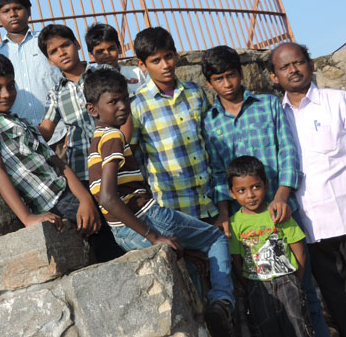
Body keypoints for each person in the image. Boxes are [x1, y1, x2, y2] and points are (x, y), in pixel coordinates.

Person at [84, 68, 235, 337]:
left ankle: (205, 321)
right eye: (113, 101)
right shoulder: (114, 137)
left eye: (125, 99)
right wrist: (153, 236)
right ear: (92, 109)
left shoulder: (96, 142)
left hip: (122, 231)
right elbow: (107, 197)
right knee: (216, 239)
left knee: (187, 268)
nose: (122, 106)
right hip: (147, 217)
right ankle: (223, 302)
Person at [202, 45, 330, 336]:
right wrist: (224, 213)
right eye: (219, 79)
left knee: (305, 297)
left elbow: (287, 150)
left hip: (281, 213)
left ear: (241, 72)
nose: (227, 83)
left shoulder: (268, 105)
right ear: (209, 83)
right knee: (261, 306)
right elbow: (217, 170)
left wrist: (282, 196)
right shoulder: (210, 121)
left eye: (231, 75)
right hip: (246, 227)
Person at [0, 52, 119, 262]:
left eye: (11, 86)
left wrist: (85, 198)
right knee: (108, 236)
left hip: (69, 193)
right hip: (53, 202)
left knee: (111, 215)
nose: (6, 93)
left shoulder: (23, 122)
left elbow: (58, 163)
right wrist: (27, 217)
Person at [270, 42, 346, 337]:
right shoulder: (275, 116)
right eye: (284, 67)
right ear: (274, 76)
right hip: (312, 228)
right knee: (341, 304)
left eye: (298, 62)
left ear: (309, 64)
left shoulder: (340, 101)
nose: (293, 70)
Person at [130, 26, 217, 220]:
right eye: (156, 61)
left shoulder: (195, 92)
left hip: (210, 201)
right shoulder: (137, 104)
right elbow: (135, 158)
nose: (165, 65)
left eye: (168, 56)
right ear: (142, 65)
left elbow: (210, 142)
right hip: (172, 208)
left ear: (176, 55)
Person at [227, 155, 313, 337]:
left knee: (299, 329)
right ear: (232, 193)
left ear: (266, 185)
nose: (250, 195)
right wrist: (251, 284)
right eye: (241, 190)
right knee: (265, 330)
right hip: (257, 287)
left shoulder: (278, 213)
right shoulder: (234, 224)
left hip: (287, 282)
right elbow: (236, 261)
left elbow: (300, 252)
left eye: (255, 187)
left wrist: (295, 281)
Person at [0, 0, 65, 148]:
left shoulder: (48, 42)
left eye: (17, 8)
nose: (13, 14)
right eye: (6, 11)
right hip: (21, 141)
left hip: (62, 134)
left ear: (29, 10)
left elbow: (67, 79)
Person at [37, 24, 105, 184]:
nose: (62, 53)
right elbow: (46, 130)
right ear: (49, 60)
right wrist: (23, 129)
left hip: (117, 160)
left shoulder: (104, 73)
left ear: (77, 44)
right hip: (84, 171)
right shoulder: (55, 94)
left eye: (65, 45)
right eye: (54, 51)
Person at [85, 22, 146, 95]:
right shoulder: (91, 83)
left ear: (119, 48)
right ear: (91, 55)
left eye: (111, 49)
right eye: (100, 51)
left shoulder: (137, 73)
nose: (107, 54)